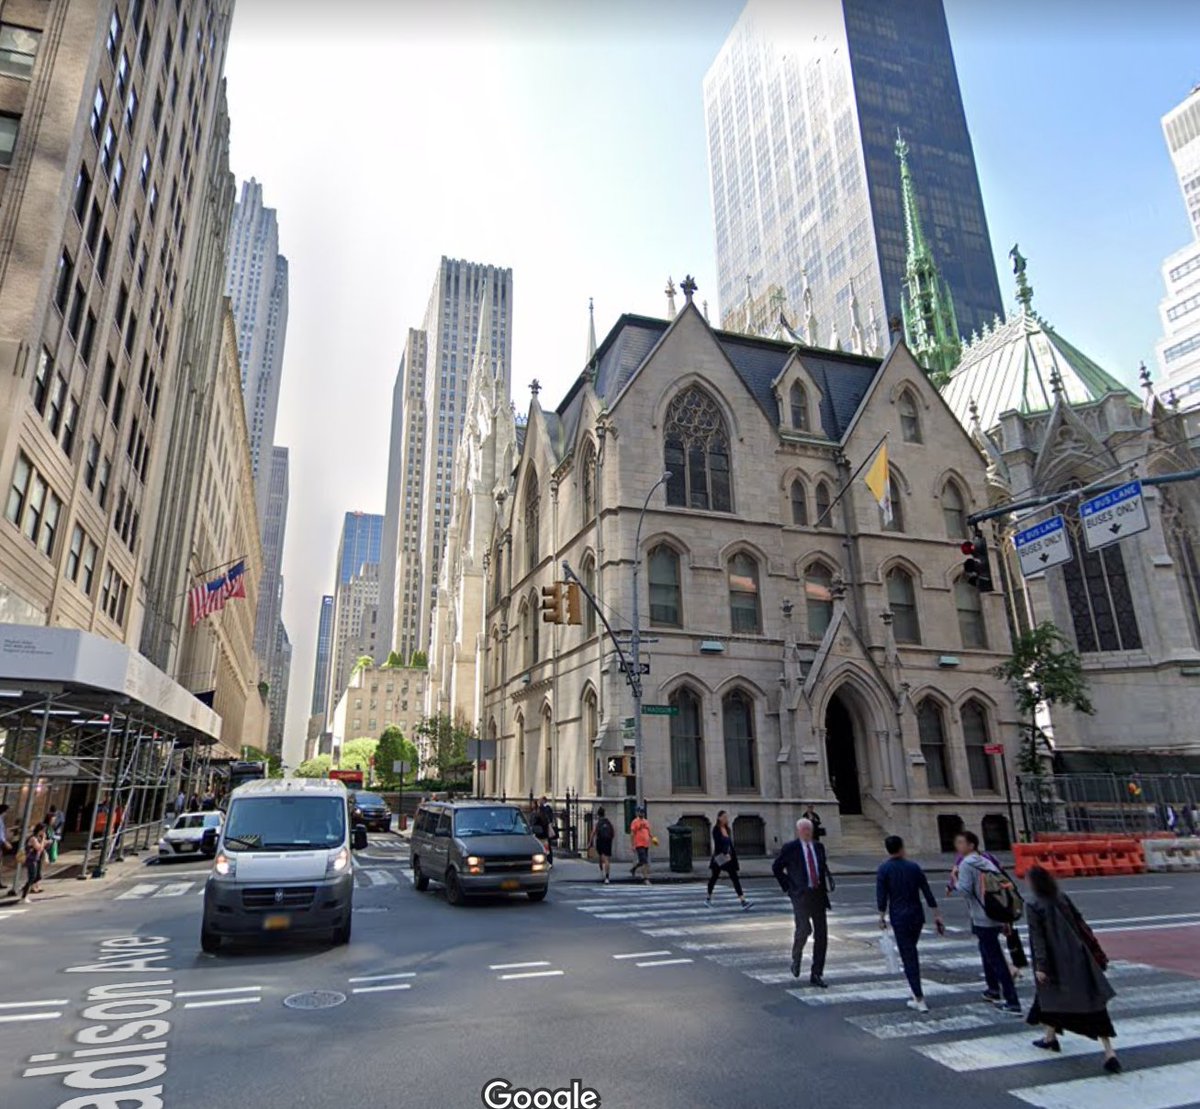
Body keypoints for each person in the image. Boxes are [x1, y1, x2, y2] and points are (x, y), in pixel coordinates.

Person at [1025, 865, 1121, 1073]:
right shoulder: (1062, 897)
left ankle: (1051, 1038)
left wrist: (1041, 966)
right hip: (1079, 956)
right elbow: (1080, 923)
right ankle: (1107, 1051)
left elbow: (1037, 937)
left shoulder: (1032, 904)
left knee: (1051, 996)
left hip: (1055, 961)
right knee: (1093, 1003)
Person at [954, 830, 1022, 1015]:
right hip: (996, 913)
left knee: (996, 958)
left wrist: (955, 879)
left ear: (971, 845)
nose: (957, 846)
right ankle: (992, 989)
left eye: (961, 842)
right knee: (986, 951)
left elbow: (965, 891)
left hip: (982, 916)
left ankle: (1012, 1001)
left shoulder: (967, 864)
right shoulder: (986, 860)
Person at [876, 835, 944, 1012]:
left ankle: (919, 997)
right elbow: (927, 892)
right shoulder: (913, 867)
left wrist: (881, 916)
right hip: (916, 915)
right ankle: (916, 993)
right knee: (910, 951)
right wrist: (936, 914)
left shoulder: (884, 869)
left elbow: (882, 896)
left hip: (899, 916)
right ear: (902, 847)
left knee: (909, 956)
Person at [950, 842, 1029, 980]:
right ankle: (1013, 967)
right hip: (1001, 903)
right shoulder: (988, 858)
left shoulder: (963, 861)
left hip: (982, 908)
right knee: (1002, 937)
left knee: (988, 943)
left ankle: (1006, 975)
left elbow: (962, 885)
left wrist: (952, 883)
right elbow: (1002, 874)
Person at [772, 817, 833, 987]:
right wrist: (789, 887)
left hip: (818, 895)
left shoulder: (819, 847)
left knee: (822, 935)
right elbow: (776, 867)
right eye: (805, 830)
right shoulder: (791, 848)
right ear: (799, 831)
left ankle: (817, 973)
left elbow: (821, 868)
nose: (808, 832)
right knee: (804, 929)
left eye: (810, 829)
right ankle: (796, 955)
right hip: (800, 895)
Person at [706, 811, 752, 911]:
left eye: (727, 817)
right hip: (720, 858)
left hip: (729, 858)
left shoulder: (727, 829)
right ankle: (708, 898)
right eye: (724, 817)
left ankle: (743, 901)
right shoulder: (716, 829)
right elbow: (718, 844)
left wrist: (730, 854)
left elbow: (729, 843)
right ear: (719, 818)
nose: (726, 819)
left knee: (734, 878)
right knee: (714, 877)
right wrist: (724, 854)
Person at [19, 823, 47, 901]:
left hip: (35, 860)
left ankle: (24, 890)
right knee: (32, 877)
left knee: (36, 877)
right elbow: (39, 848)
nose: (44, 832)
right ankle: (24, 896)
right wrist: (44, 839)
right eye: (43, 830)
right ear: (40, 830)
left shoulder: (37, 838)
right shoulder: (33, 838)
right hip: (31, 860)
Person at [587, 806, 615, 883]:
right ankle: (607, 877)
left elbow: (593, 833)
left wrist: (590, 843)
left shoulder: (598, 823)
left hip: (600, 841)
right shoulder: (608, 822)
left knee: (601, 857)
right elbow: (613, 832)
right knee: (607, 859)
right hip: (608, 841)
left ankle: (602, 872)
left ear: (598, 815)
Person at [629, 807, 652, 884]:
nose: (642, 813)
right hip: (639, 844)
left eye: (643, 812)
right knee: (645, 861)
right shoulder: (635, 822)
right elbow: (632, 834)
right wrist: (632, 845)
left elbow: (649, 832)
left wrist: (653, 838)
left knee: (642, 861)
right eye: (640, 812)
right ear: (638, 813)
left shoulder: (646, 822)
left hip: (646, 844)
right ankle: (646, 878)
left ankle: (633, 869)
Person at [538, 796, 558, 867]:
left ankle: (549, 861)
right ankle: (547, 861)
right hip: (544, 830)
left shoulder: (546, 808)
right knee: (546, 847)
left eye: (540, 800)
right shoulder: (543, 809)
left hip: (545, 831)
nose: (539, 802)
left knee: (547, 847)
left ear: (544, 801)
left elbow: (547, 819)